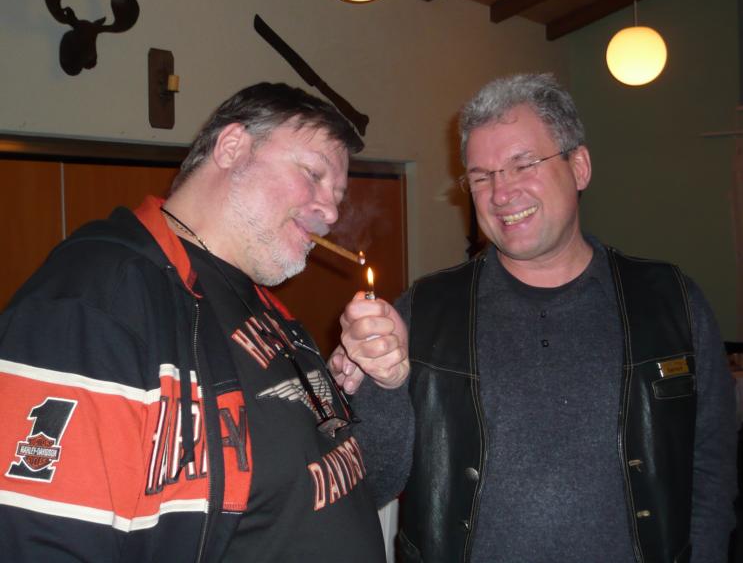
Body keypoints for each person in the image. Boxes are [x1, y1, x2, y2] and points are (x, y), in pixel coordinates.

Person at [332, 73, 738, 563]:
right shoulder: (423, 310)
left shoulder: (671, 302)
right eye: (481, 176)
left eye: (523, 165)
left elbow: (711, 469)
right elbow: (370, 485)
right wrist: (382, 383)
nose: (501, 193)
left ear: (579, 166)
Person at [0, 82, 407, 561]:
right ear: (232, 147)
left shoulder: (269, 310)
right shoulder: (95, 301)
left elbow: (356, 485)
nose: (332, 211)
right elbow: (38, 540)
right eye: (313, 174)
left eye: (338, 194)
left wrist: (381, 384)